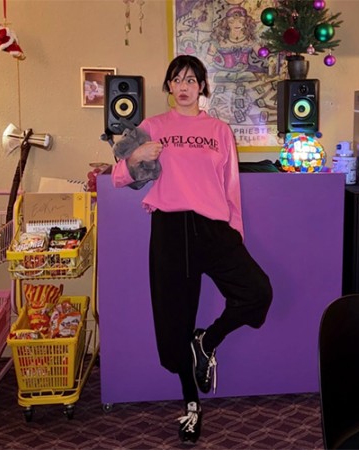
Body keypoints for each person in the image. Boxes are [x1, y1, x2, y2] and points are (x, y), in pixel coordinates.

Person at [111, 55, 272, 444]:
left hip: (214, 229)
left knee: (257, 291)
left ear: (202, 87)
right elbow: (118, 177)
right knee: (174, 321)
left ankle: (207, 341)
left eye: (191, 80)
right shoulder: (152, 127)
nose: (183, 86)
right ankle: (191, 404)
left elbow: (231, 187)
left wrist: (235, 233)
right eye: (176, 79)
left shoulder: (219, 131)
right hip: (170, 230)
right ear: (168, 86)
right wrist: (136, 156)